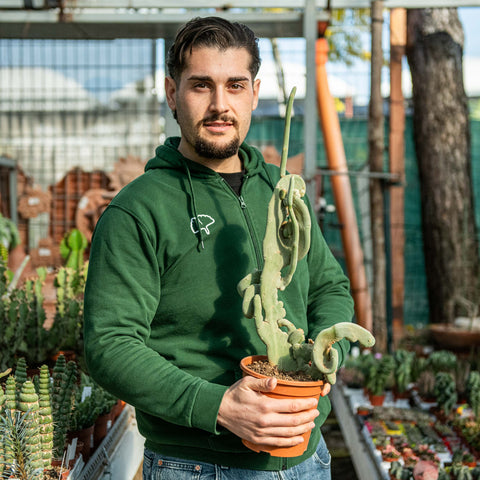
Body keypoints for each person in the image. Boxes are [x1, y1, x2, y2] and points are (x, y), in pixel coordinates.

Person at [83, 16, 354, 480]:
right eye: (201, 86)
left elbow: (329, 286)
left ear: (254, 92)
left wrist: (323, 355)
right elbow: (109, 344)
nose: (219, 104)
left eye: (235, 85)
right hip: (197, 465)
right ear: (172, 94)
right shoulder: (138, 210)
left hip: (308, 458)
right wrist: (219, 406)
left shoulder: (281, 189)